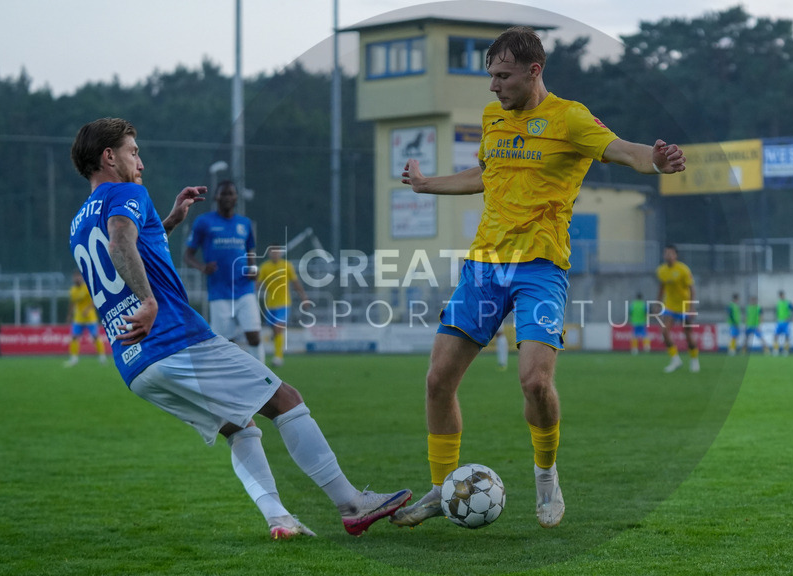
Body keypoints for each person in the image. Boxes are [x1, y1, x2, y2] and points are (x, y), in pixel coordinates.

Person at [392, 26, 686, 529]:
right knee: (438, 380)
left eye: (502, 76)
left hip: (540, 270)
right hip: (484, 267)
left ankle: (546, 476)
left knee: (534, 382)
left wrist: (655, 161)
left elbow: (624, 150)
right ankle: (442, 490)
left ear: (534, 71)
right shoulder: (493, 116)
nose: (493, 86)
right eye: (490, 75)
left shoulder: (569, 118)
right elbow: (486, 175)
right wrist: (426, 184)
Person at [68, 117, 410, 539]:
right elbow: (121, 241)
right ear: (109, 156)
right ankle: (351, 503)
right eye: (133, 151)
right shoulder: (127, 193)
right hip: (175, 340)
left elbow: (129, 245)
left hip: (135, 365)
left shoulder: (79, 220)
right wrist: (151, 301)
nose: (140, 161)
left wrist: (168, 221)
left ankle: (279, 519)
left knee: (240, 426)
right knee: (286, 399)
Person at [184, 181, 265, 362]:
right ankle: (230, 379)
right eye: (224, 194)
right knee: (226, 342)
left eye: (231, 194)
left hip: (244, 289)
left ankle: (264, 377)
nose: (228, 197)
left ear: (236, 198)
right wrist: (202, 267)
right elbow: (188, 255)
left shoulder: (245, 224)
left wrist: (253, 270)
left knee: (254, 335)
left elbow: (250, 252)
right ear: (216, 197)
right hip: (219, 292)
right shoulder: (204, 222)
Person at [256, 247, 307, 367]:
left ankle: (278, 357)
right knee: (274, 330)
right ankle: (276, 343)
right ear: (269, 253)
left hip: (284, 303)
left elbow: (295, 282)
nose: (275, 254)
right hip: (269, 305)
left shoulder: (287, 265)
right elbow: (257, 284)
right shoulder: (264, 267)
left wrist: (304, 297)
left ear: (280, 253)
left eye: (277, 251)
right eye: (272, 251)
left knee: (278, 327)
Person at [656, 245, 699, 373]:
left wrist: (691, 307)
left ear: (676, 255)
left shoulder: (683, 269)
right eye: (666, 253)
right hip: (670, 305)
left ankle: (694, 360)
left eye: (671, 253)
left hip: (684, 306)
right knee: (664, 331)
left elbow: (691, 289)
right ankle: (675, 360)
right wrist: (658, 302)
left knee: (688, 334)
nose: (668, 256)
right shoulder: (661, 270)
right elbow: (662, 287)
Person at [65, 271, 107, 366]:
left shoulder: (87, 287)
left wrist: (87, 310)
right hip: (78, 318)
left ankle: (102, 357)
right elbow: (72, 303)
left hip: (90, 317)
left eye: (78, 277)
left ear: (81, 278)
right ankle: (74, 359)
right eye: (75, 277)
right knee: (74, 337)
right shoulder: (73, 290)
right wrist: (69, 315)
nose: (76, 279)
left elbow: (94, 300)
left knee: (95, 336)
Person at [773, 290, 793, 357]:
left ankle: (785, 350)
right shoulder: (778, 303)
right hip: (779, 322)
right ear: (779, 296)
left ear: (784, 295)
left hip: (786, 323)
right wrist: (776, 318)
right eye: (780, 295)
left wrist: (790, 318)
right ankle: (776, 350)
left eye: (782, 295)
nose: (781, 296)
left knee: (786, 336)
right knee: (775, 336)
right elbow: (776, 311)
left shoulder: (788, 303)